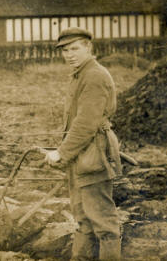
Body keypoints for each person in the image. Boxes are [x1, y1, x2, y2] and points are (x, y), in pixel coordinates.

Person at [44, 27, 122, 260]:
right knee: (83, 218)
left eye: (75, 48)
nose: (69, 55)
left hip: (94, 155)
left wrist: (61, 152)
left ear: (89, 47)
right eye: (65, 50)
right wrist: (66, 152)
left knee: (102, 220)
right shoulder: (79, 75)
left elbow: (86, 123)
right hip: (81, 154)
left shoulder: (94, 76)